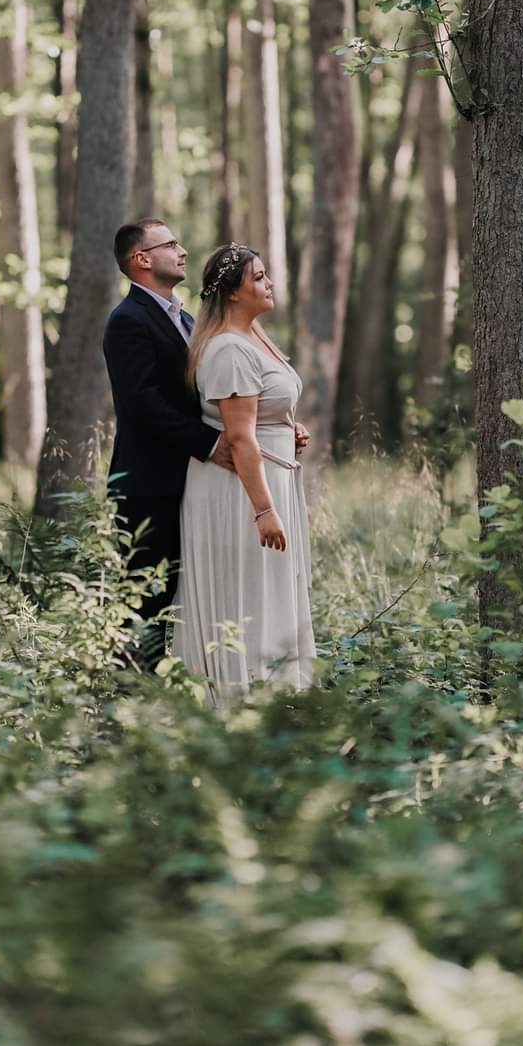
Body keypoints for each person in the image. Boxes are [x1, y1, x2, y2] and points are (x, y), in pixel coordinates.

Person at [174, 242, 314, 702]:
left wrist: (288, 430)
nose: (269, 283)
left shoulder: (255, 337)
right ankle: (240, 699)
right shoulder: (228, 350)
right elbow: (238, 438)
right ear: (232, 293)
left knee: (271, 589)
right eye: (258, 277)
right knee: (250, 592)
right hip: (240, 493)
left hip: (269, 478)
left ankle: (276, 695)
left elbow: (263, 415)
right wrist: (264, 512)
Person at [103, 218, 232, 664]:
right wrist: (212, 444)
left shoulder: (186, 317)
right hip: (147, 485)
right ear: (142, 260)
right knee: (144, 600)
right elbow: (143, 403)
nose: (183, 251)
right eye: (171, 244)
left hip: (189, 481)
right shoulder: (127, 321)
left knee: (185, 593)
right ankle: (125, 695)